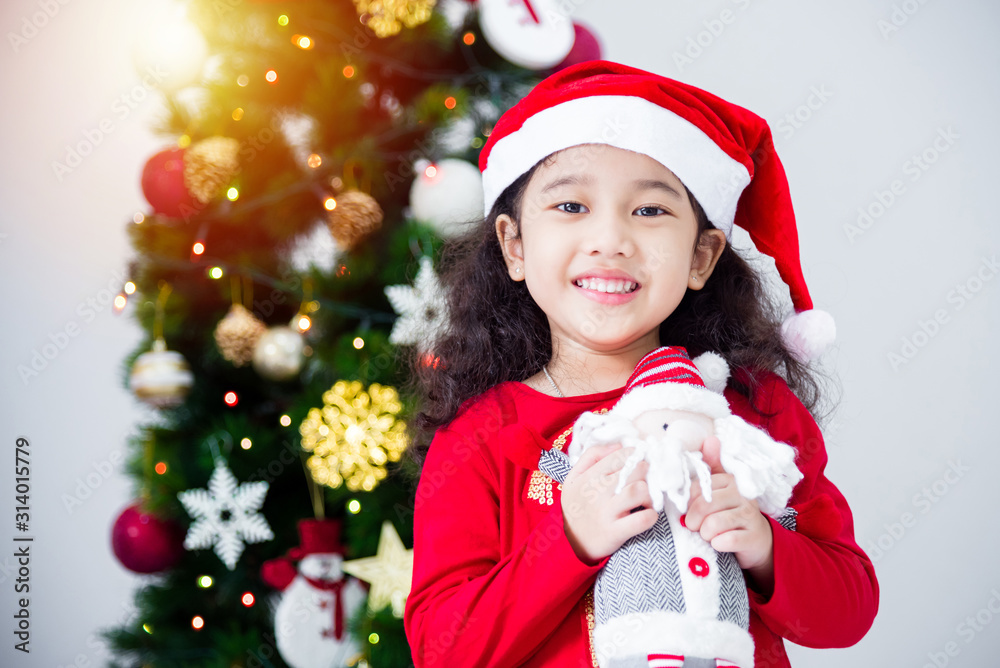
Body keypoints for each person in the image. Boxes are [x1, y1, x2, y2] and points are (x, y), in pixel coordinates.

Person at [401, 60, 878, 668]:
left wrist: (764, 546)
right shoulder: (480, 436)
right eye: (571, 206)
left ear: (702, 256)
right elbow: (443, 650)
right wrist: (569, 539)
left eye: (650, 212)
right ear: (515, 246)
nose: (611, 240)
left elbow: (850, 610)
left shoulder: (756, 413)